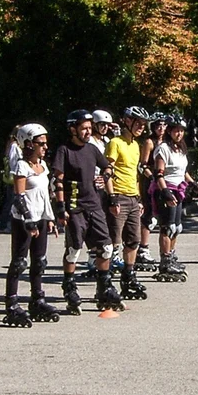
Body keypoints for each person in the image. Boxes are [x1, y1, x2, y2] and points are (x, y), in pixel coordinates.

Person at [52, 109, 124, 314]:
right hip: (75, 208)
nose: (88, 132)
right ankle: (69, 287)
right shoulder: (64, 151)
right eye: (84, 128)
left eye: (90, 128)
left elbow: (108, 168)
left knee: (106, 248)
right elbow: (58, 179)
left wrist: (105, 177)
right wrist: (60, 208)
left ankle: (104, 287)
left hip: (94, 205)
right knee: (74, 249)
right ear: (72, 129)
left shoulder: (92, 149)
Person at [3, 124, 60, 327]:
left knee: (39, 262)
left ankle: (37, 300)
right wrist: (28, 220)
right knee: (19, 263)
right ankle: (11, 303)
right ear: (28, 143)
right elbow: (19, 197)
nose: (45, 147)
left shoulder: (42, 166)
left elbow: (44, 196)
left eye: (45, 143)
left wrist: (50, 218)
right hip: (24, 220)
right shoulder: (21, 166)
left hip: (41, 218)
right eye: (40, 143)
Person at [105, 106, 150, 301]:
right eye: (138, 123)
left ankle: (128, 277)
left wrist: (139, 198)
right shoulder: (115, 143)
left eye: (143, 124)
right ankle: (105, 282)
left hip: (132, 197)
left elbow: (135, 174)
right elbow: (108, 170)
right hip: (119, 196)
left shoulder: (135, 146)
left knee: (133, 241)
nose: (141, 127)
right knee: (113, 243)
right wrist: (111, 197)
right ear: (127, 121)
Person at [151, 114, 198, 282]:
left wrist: (194, 184)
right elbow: (159, 173)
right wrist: (165, 192)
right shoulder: (163, 148)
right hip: (166, 189)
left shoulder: (180, 149)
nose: (179, 134)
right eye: (175, 131)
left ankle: (171, 257)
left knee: (177, 227)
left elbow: (182, 172)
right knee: (167, 227)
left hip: (179, 189)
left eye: (181, 131)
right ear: (170, 131)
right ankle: (164, 261)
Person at [135, 113, 166, 271]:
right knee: (149, 216)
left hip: (164, 183)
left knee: (163, 218)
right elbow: (142, 165)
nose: (161, 128)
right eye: (158, 125)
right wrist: (153, 178)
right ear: (153, 127)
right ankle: (143, 249)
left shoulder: (167, 142)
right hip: (151, 182)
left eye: (164, 125)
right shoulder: (149, 142)